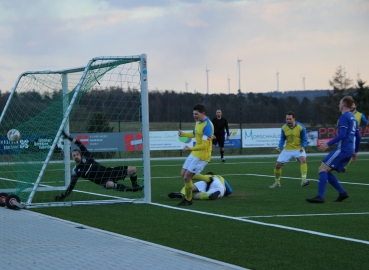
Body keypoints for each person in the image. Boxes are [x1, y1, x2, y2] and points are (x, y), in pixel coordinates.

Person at [55, 131, 143, 201]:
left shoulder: (87, 156)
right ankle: (131, 190)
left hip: (109, 172)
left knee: (133, 169)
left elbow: (79, 144)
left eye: (77, 154)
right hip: (103, 181)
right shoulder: (76, 170)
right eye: (74, 156)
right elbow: (71, 185)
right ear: (72, 157)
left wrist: (68, 138)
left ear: (80, 155)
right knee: (110, 184)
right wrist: (64, 196)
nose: (76, 157)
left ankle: (135, 185)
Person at [306, 96, 361, 203]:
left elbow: (342, 135)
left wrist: (328, 144)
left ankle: (320, 197)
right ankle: (342, 193)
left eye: (340, 103)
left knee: (322, 169)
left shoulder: (344, 117)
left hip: (343, 149)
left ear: (344, 105)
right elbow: (358, 136)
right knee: (326, 170)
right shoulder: (353, 118)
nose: (338, 105)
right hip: (349, 150)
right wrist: (356, 151)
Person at [177, 104, 214, 206]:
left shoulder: (208, 126)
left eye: (196, 114)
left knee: (187, 177)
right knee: (183, 174)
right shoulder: (198, 122)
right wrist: (183, 134)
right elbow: (194, 133)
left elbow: (204, 145)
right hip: (195, 153)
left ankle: (188, 200)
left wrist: (190, 148)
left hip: (202, 156)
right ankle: (208, 179)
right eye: (193, 114)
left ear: (203, 113)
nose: (194, 116)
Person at [269, 111, 309, 188]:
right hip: (287, 149)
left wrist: (303, 147)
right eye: (287, 119)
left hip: (298, 148)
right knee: (277, 165)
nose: (288, 121)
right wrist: (279, 147)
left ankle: (303, 180)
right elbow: (282, 139)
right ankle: (277, 183)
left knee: (303, 160)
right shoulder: (284, 127)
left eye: (290, 119)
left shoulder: (301, 127)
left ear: (294, 119)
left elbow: (304, 139)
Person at [168, 172, 233, 200]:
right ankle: (209, 196)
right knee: (197, 196)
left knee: (190, 187)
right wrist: (223, 194)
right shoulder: (221, 178)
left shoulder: (208, 176)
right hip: (219, 188)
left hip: (208, 181)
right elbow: (230, 191)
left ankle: (182, 193)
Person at [342, 101, 368, 172]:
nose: (352, 106)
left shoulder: (360, 115)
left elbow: (366, 123)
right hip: (345, 135)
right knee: (342, 150)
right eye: (351, 105)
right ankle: (340, 164)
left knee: (351, 152)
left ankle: (344, 166)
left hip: (353, 136)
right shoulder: (346, 114)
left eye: (353, 105)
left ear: (355, 106)